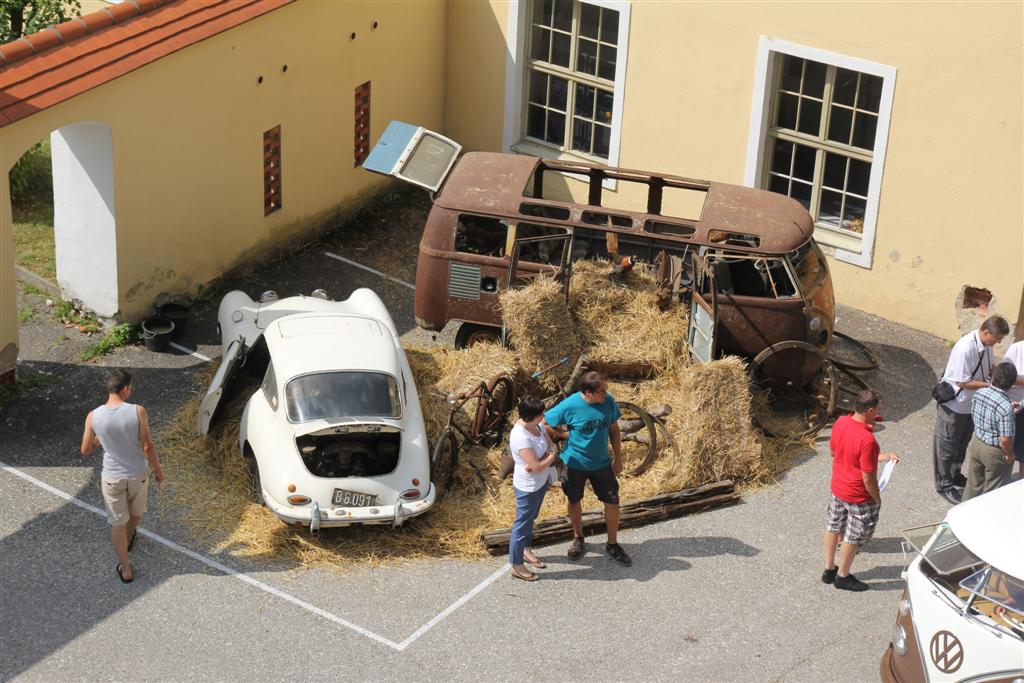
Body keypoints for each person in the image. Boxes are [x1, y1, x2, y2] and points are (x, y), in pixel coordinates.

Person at [80, 369, 164, 583]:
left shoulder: (94, 416)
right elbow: (147, 446)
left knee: (117, 522)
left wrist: (101, 437)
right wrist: (158, 470)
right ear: (125, 389)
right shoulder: (137, 411)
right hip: (137, 472)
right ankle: (128, 538)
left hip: (112, 476)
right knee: (136, 512)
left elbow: (86, 449)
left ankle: (125, 568)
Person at [544, 370, 632, 567]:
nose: (606, 394)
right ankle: (578, 537)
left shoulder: (608, 402)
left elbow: (614, 429)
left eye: (606, 390)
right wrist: (566, 436)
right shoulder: (570, 405)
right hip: (575, 463)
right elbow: (545, 423)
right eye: (601, 391)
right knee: (574, 499)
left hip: (601, 463)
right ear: (587, 392)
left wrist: (618, 458)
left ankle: (612, 543)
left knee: (612, 501)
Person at [822, 389, 899, 592]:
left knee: (833, 526)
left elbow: (833, 451)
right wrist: (876, 497)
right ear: (871, 410)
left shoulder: (840, 422)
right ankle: (843, 577)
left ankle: (829, 569)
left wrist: (884, 456)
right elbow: (868, 477)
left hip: (837, 488)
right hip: (858, 496)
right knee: (853, 537)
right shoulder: (868, 440)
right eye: (878, 410)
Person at [932, 315, 1009, 504]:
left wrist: (999, 374)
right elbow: (963, 381)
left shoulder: (987, 345)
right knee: (946, 447)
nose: (999, 342)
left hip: (971, 405)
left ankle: (954, 474)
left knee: (961, 445)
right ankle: (944, 485)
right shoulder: (965, 348)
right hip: (955, 406)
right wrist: (991, 386)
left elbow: (988, 367)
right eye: (998, 338)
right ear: (985, 332)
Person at [507, 396, 559, 582]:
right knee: (521, 524)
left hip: (540, 482)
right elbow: (537, 465)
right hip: (528, 487)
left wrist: (545, 458)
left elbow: (549, 444)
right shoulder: (520, 436)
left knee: (531, 517)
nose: (543, 415)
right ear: (531, 416)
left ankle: (525, 549)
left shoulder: (536, 426)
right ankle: (516, 565)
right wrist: (550, 458)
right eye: (540, 414)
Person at [961, 362, 1017, 501]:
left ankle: (964, 511)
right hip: (995, 452)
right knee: (993, 491)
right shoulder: (1005, 408)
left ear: (993, 377)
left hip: (977, 443)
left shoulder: (980, 392)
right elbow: (1005, 439)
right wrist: (1009, 455)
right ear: (1012, 385)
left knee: (973, 484)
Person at [1002, 340, 1024, 479]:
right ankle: (1002, 477)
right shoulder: (1016, 348)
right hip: (1013, 405)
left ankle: (1021, 477)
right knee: (1006, 444)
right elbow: (1003, 376)